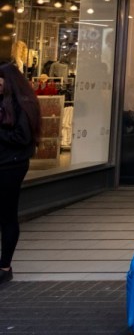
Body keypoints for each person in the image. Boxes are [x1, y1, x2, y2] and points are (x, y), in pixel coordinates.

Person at [0, 62, 41, 285]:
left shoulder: (24, 104)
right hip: (6, 162)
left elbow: (23, 137)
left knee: (7, 215)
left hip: (11, 166)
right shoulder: (5, 102)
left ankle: (5, 265)